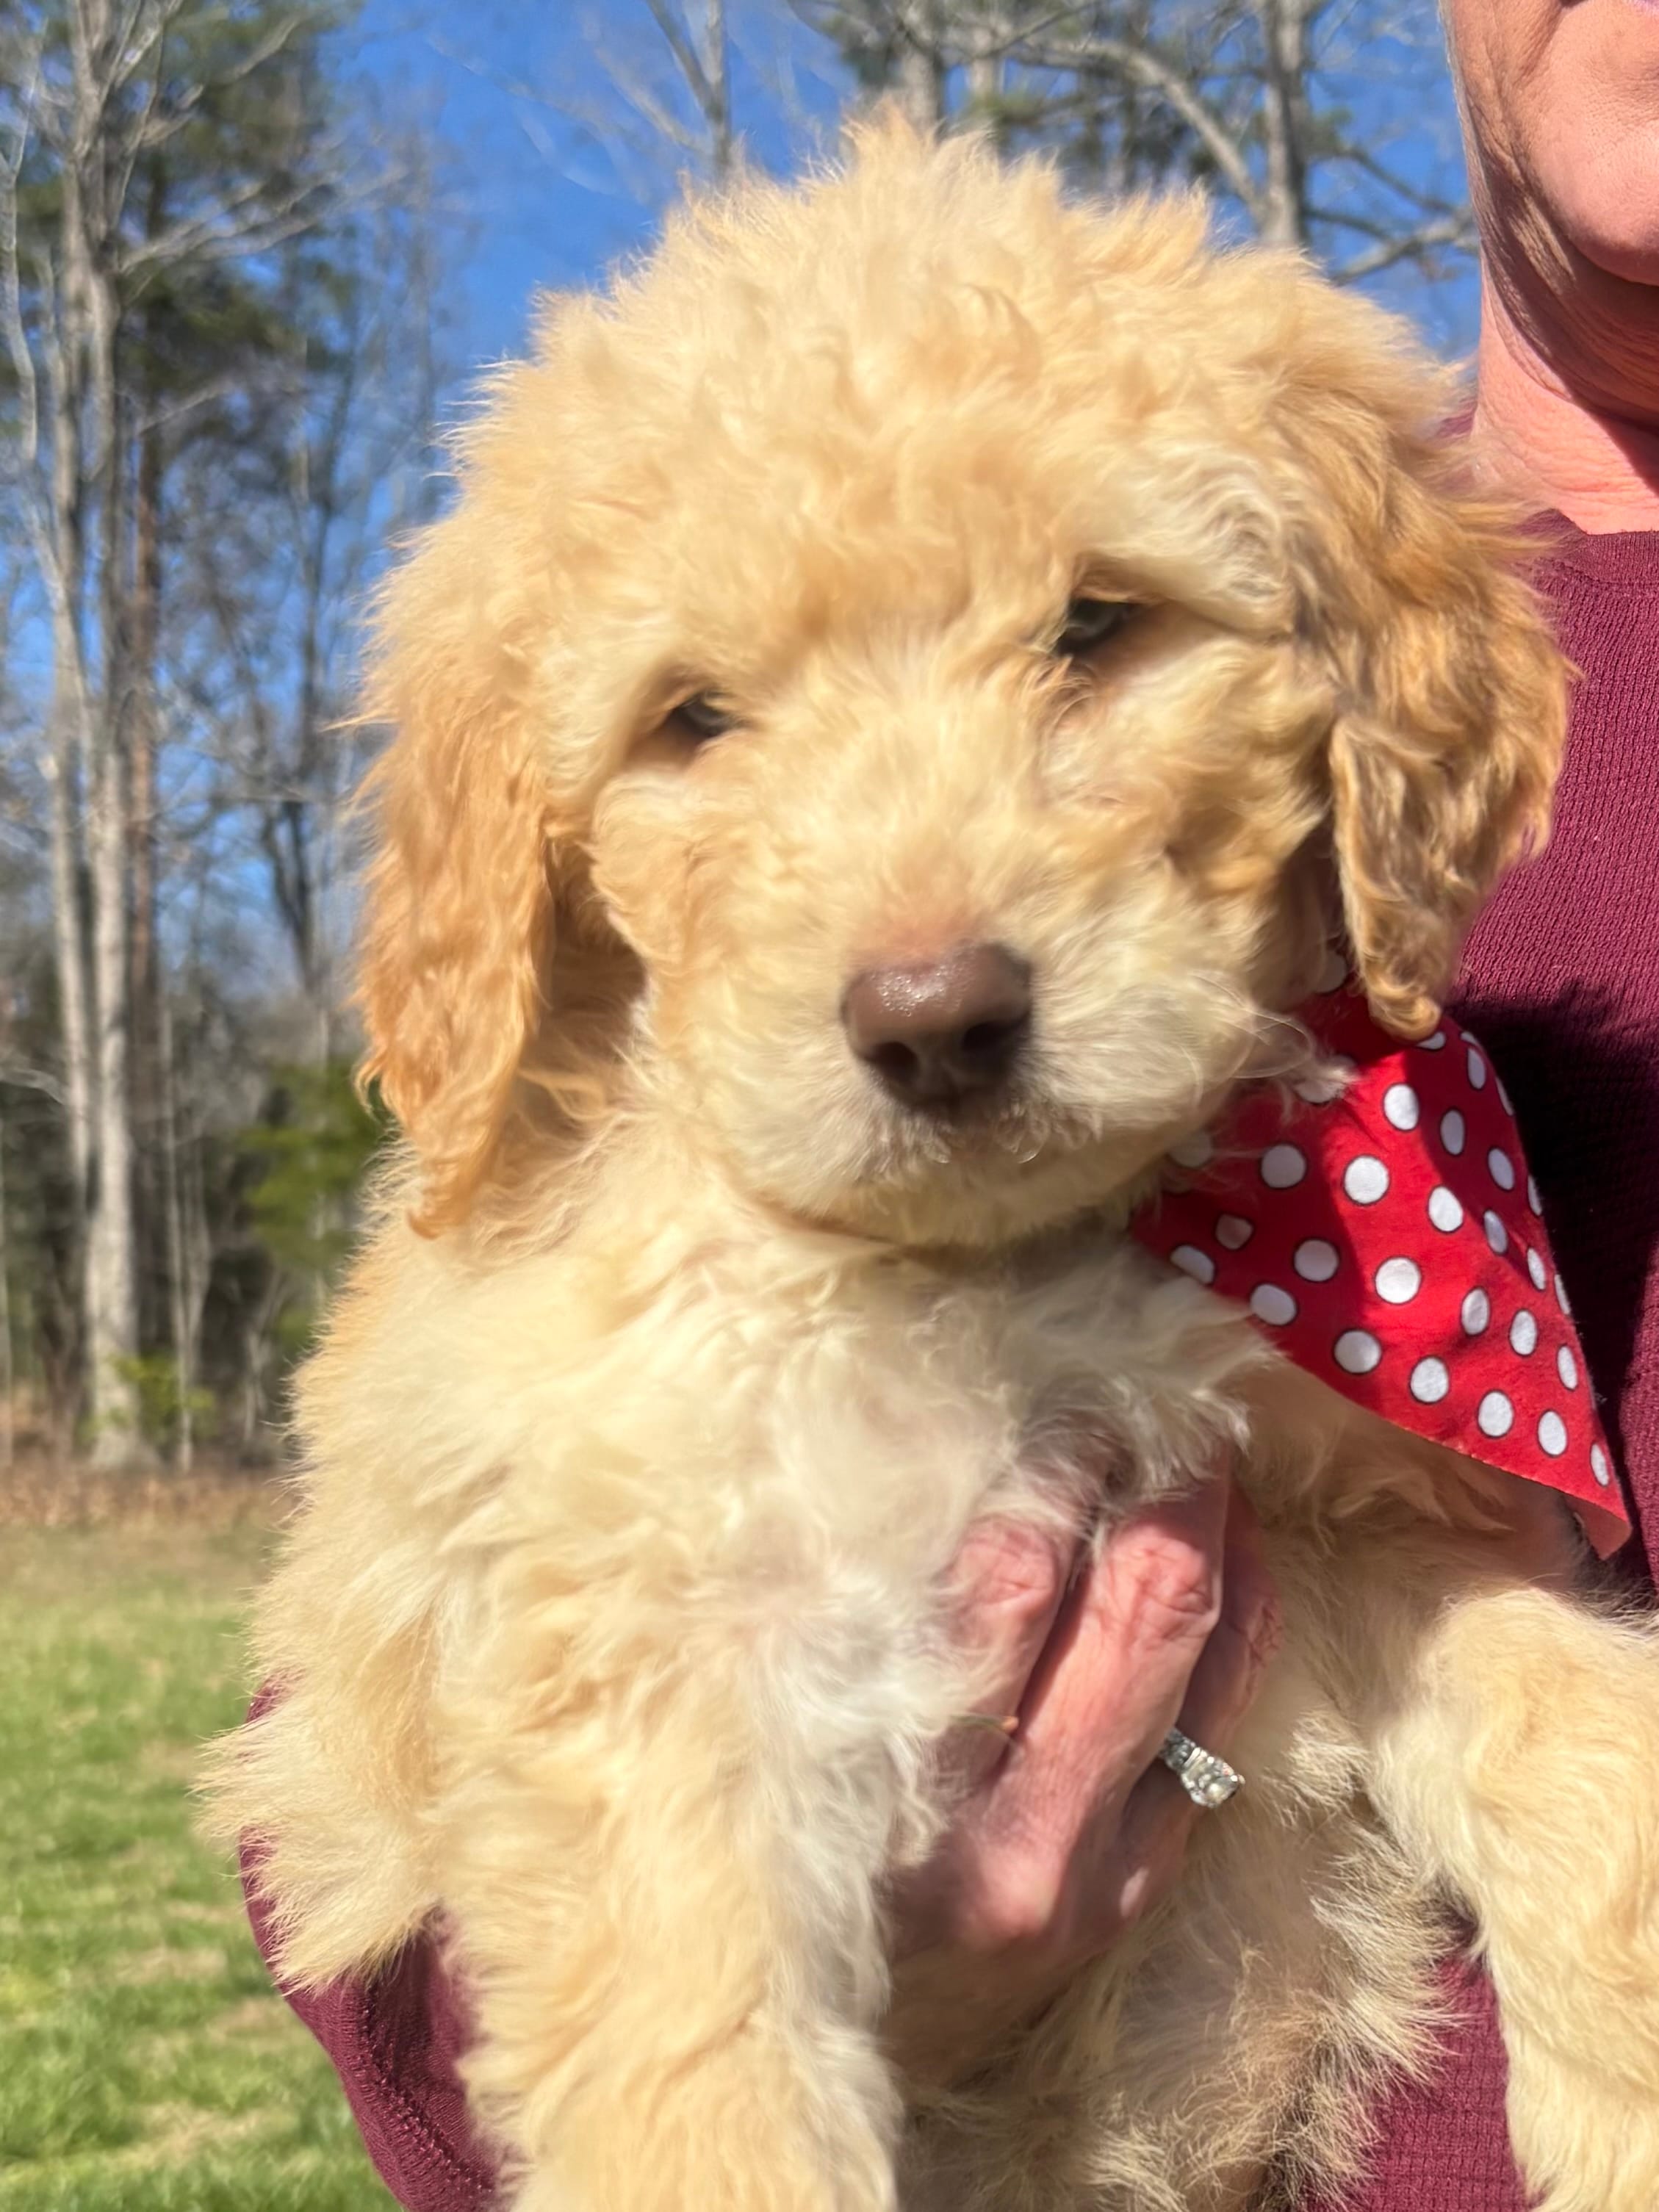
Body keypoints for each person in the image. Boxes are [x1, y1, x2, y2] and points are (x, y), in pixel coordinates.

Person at [244, 4, 1659, 2202]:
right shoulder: (627, 1291)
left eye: (1089, 630)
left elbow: (1378, 1582)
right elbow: (408, 1810)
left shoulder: (1300, 1141)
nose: (926, 957)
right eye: (697, 714)